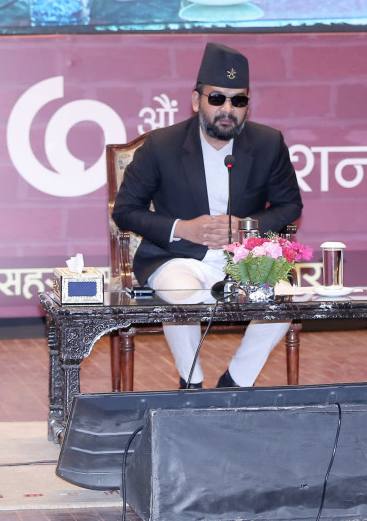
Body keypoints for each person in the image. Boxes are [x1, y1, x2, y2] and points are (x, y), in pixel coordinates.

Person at [112, 43, 304, 388]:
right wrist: (182, 228)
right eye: (217, 98)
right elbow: (125, 211)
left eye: (238, 100)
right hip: (176, 256)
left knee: (281, 299)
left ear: (247, 104)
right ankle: (192, 382)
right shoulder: (161, 145)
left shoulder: (268, 143)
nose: (227, 109)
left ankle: (235, 383)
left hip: (246, 260)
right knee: (181, 293)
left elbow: (290, 206)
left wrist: (245, 228)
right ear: (196, 100)